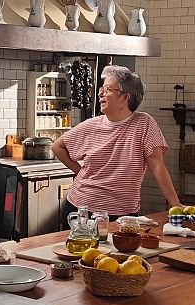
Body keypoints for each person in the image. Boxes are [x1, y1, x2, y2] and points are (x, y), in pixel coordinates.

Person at [53, 65, 181, 228]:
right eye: (102, 89)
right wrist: (80, 172)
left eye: (107, 90)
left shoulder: (144, 124)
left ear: (125, 97)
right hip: (83, 210)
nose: (100, 93)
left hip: (123, 214)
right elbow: (58, 147)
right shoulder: (90, 126)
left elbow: (157, 165)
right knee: (80, 254)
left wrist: (176, 205)